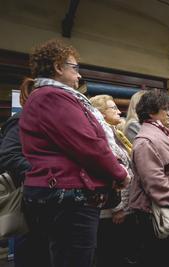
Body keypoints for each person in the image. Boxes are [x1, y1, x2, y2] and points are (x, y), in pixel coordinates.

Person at [18, 39, 130, 267]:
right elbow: (88, 145)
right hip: (69, 195)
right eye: (75, 68)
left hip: (61, 192)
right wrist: (119, 174)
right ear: (59, 67)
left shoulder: (45, 96)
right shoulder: (53, 96)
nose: (79, 75)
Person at [129, 90, 169, 267]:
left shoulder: (159, 134)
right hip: (153, 211)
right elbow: (153, 179)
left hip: (163, 207)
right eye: (165, 109)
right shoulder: (146, 140)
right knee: (160, 258)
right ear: (151, 112)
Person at [0, 91, 50, 267]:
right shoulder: (22, 119)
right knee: (31, 246)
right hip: (31, 195)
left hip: (44, 195)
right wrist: (44, 173)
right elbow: (9, 154)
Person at [90, 95, 136, 267]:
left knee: (121, 253)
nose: (119, 111)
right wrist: (117, 208)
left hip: (124, 205)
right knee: (111, 254)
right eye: (113, 108)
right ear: (101, 114)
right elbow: (108, 170)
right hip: (112, 210)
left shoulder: (116, 133)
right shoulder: (103, 134)